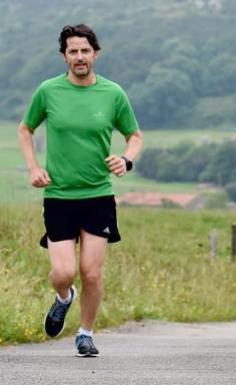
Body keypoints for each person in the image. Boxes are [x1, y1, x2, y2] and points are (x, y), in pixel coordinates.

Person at [17, 24, 143, 357]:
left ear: (95, 53)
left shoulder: (113, 94)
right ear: (64, 56)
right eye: (73, 51)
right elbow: (25, 129)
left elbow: (135, 136)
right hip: (59, 196)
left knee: (91, 271)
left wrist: (126, 161)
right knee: (63, 273)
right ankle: (63, 298)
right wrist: (34, 168)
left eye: (85, 50)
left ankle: (85, 333)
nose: (79, 57)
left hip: (98, 196)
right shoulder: (48, 91)